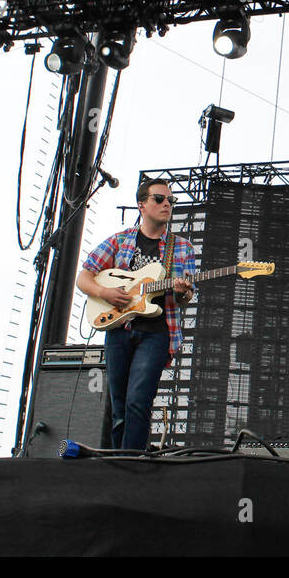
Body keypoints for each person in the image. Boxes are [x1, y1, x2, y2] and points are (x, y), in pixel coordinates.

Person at [77, 179, 195, 452]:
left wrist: (182, 291)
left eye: (170, 201)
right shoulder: (119, 241)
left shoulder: (182, 248)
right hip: (119, 329)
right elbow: (84, 276)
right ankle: (120, 462)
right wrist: (104, 292)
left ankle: (133, 462)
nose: (167, 204)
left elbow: (185, 297)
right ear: (142, 205)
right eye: (159, 199)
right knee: (118, 405)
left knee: (138, 401)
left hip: (155, 333)